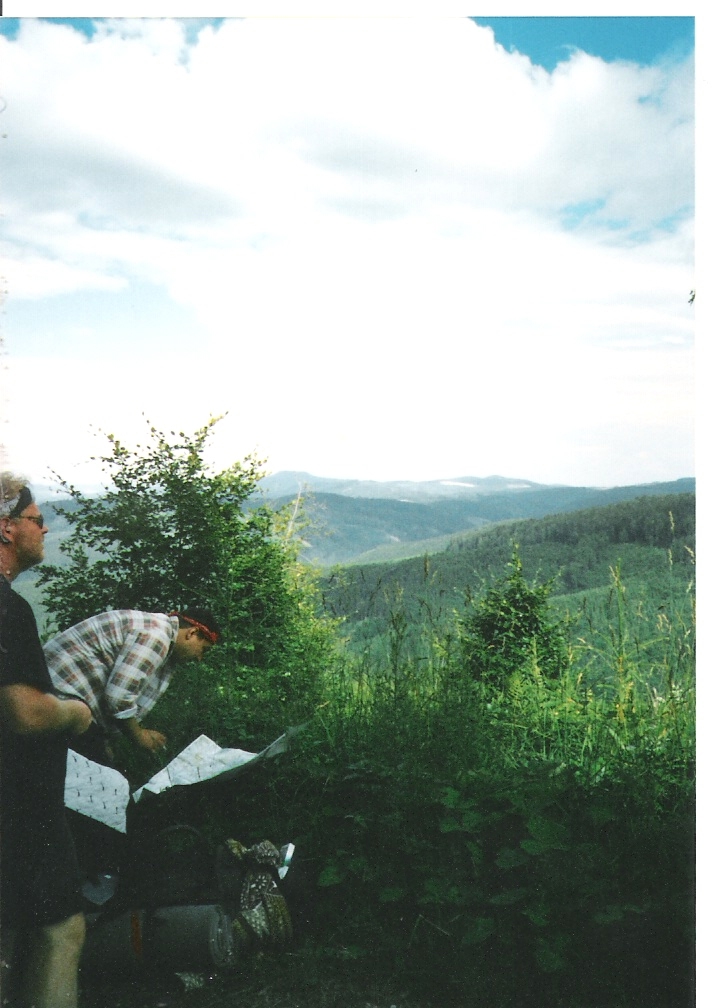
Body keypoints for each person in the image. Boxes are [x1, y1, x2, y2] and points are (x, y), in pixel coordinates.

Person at [0, 473, 93, 1008]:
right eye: (37, 520)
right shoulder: (8, 609)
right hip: (19, 806)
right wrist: (75, 713)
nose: (45, 529)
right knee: (61, 930)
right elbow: (24, 712)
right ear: (6, 529)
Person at [43, 606, 219, 764]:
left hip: (61, 695)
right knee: (102, 778)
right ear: (192, 633)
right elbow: (118, 698)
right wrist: (139, 736)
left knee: (100, 768)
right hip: (59, 695)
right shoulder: (157, 635)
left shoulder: (158, 630)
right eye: (203, 649)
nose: (199, 658)